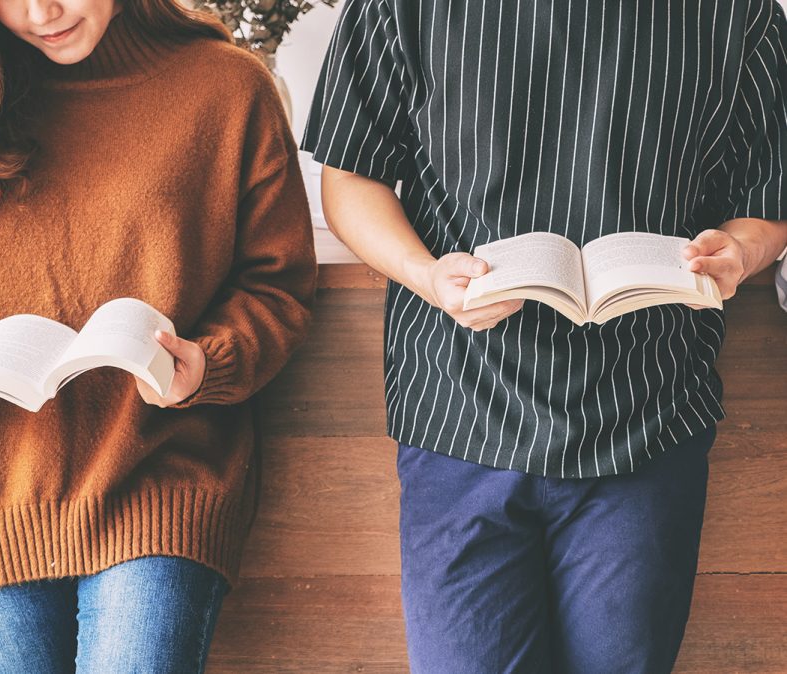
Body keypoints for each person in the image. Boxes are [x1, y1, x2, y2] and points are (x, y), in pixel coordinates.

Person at [303, 0, 787, 672]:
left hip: (647, 414)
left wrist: (737, 250)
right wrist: (426, 274)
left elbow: (768, 200)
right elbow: (350, 175)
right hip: (459, 412)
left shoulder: (739, 13)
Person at [0, 0, 316, 671]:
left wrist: (209, 364)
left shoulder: (228, 88)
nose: (41, 11)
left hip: (161, 480)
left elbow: (277, 283)